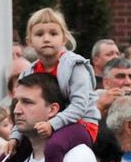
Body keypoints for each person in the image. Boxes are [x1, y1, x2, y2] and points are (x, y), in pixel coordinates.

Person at [18, 8, 100, 140]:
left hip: (81, 124)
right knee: (11, 155)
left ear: (64, 38)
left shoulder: (75, 66)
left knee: (55, 146)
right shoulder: (28, 73)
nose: (46, 39)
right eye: (39, 34)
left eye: (53, 33)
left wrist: (52, 124)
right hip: (44, 126)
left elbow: (79, 105)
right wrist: (15, 137)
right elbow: (20, 109)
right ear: (29, 42)